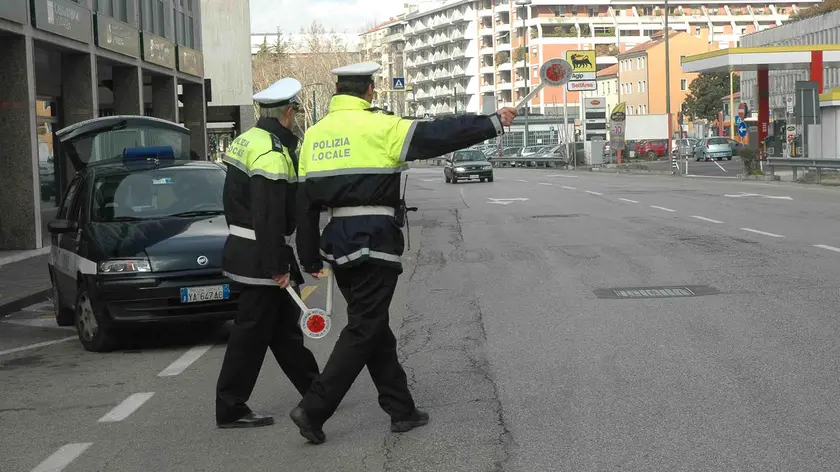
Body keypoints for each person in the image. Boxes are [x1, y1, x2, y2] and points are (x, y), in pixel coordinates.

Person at [290, 62, 517, 444]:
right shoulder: (380, 126)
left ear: (337, 92)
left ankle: (401, 410)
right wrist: (491, 123)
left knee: (373, 326)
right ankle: (313, 409)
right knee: (364, 328)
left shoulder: (314, 135)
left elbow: (305, 204)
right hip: (375, 240)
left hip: (338, 241)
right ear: (370, 91)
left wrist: (309, 256)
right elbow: (438, 135)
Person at [215, 77, 320, 429]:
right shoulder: (272, 153)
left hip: (245, 249)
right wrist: (277, 265)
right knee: (250, 336)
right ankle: (230, 407)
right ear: (288, 113)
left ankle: (318, 391)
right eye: (296, 113)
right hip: (261, 256)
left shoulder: (247, 140)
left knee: (283, 331)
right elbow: (268, 214)